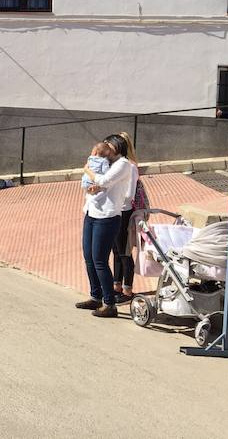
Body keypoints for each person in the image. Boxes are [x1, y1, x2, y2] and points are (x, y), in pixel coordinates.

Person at [76, 133, 137, 318]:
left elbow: (103, 181)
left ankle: (109, 303)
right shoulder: (104, 162)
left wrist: (87, 170)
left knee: (100, 260)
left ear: (117, 146)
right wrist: (93, 185)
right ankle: (96, 296)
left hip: (108, 217)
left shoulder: (123, 165)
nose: (104, 149)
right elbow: (97, 184)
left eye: (107, 145)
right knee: (89, 257)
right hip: (91, 212)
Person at [112, 132, 141, 304]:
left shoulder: (130, 166)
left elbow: (129, 194)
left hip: (124, 211)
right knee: (116, 250)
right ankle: (117, 286)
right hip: (116, 210)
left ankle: (128, 290)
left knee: (124, 250)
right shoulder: (117, 164)